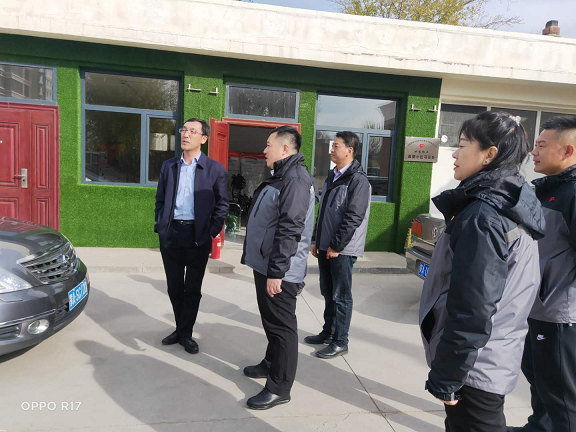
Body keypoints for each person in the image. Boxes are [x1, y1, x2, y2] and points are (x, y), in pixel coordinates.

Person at [419, 111, 545, 432]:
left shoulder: (483, 215)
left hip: (475, 366)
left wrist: (449, 374)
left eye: (462, 145)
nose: (454, 154)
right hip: (490, 355)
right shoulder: (510, 200)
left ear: (489, 155)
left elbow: (473, 307)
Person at [507, 115, 576, 432]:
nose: (533, 152)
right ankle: (539, 427)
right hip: (535, 307)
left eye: (541, 146)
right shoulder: (544, 189)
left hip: (559, 314)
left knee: (563, 397)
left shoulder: (572, 194)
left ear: (567, 151)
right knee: (540, 381)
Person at [241, 126, 315, 410]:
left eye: (268, 144)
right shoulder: (283, 175)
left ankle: (279, 388)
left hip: (281, 270)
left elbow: (290, 228)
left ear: (285, 148)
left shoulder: (295, 179)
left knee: (282, 327)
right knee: (270, 320)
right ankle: (270, 363)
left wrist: (277, 272)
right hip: (268, 264)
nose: (264, 150)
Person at [154, 118, 228, 355]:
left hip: (198, 236)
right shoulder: (169, 166)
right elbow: (160, 199)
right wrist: (161, 223)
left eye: (192, 131)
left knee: (192, 289)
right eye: (184, 130)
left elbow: (222, 205)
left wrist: (211, 231)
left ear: (203, 138)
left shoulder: (215, 169)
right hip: (171, 234)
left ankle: (185, 333)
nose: (186, 135)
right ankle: (181, 330)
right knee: (174, 287)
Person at [305, 131, 371, 359]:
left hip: (342, 249)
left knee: (341, 296)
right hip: (326, 246)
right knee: (327, 291)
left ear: (349, 151)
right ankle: (329, 332)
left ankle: (341, 341)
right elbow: (323, 211)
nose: (332, 150)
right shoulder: (333, 176)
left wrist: (336, 246)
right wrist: (316, 239)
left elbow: (354, 217)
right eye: (332, 146)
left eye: (336, 146)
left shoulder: (358, 180)